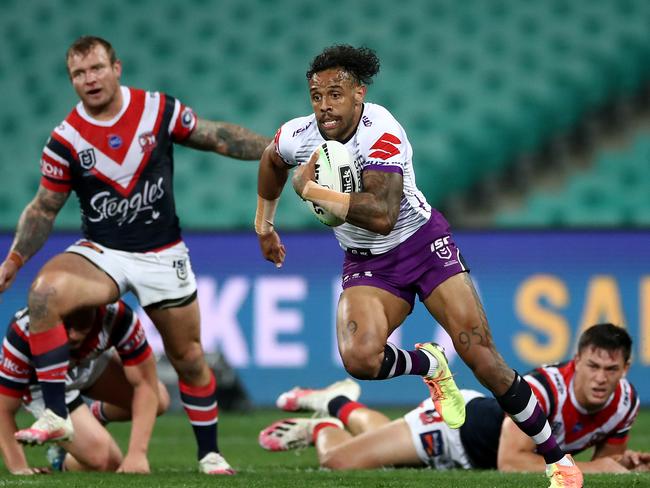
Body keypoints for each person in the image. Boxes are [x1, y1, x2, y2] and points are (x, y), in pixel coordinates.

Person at [254, 44, 582, 487]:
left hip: (422, 245)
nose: (325, 106)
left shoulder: (381, 130)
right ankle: (429, 366)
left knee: (484, 360)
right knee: (359, 359)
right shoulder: (301, 134)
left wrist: (312, 192)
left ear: (359, 94)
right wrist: (264, 224)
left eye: (336, 94)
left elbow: (383, 214)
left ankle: (557, 461)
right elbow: (271, 159)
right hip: (369, 262)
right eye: (316, 95)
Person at [0, 35, 271, 475]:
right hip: (103, 252)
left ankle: (210, 454)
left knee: (189, 358)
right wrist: (13, 261)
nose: (89, 79)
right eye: (79, 74)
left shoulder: (157, 110)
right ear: (72, 81)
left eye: (96, 69)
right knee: (45, 293)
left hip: (163, 253)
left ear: (117, 68)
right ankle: (54, 414)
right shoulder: (65, 140)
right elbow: (44, 207)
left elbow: (216, 137)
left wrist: (277, 150)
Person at [259, 323, 647, 477]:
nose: (600, 378)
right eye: (592, 366)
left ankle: (341, 401)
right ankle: (327, 421)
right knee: (339, 462)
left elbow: (604, 469)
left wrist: (620, 463)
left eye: (610, 370)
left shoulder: (625, 404)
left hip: (470, 452)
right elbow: (511, 463)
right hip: (452, 430)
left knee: (382, 444)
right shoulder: (544, 388)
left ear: (625, 369)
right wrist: (606, 470)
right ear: (577, 361)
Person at [0, 301, 170, 474]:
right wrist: (19, 468)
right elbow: (3, 408)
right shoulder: (24, 331)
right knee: (107, 461)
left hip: (88, 362)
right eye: (67, 325)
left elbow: (144, 384)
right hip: (42, 385)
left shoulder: (116, 314)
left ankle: (96, 415)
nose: (73, 336)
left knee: (159, 399)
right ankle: (61, 460)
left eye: (82, 325)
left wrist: (137, 454)